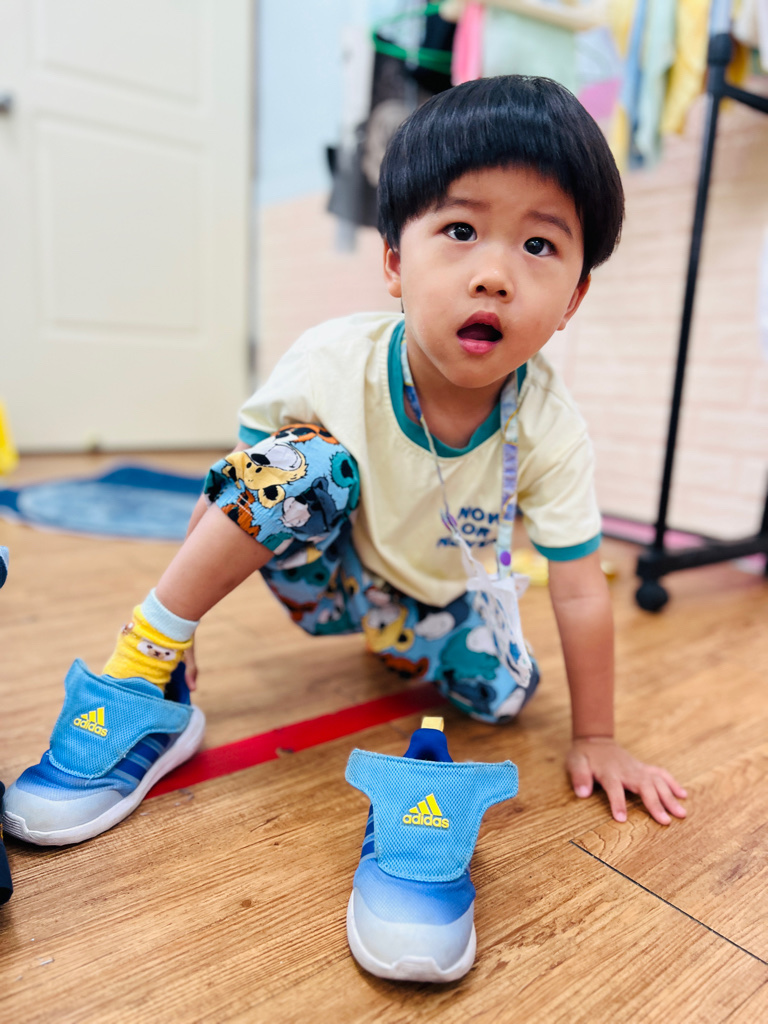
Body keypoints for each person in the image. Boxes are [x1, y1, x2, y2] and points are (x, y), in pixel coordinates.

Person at [3, 76, 687, 848]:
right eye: (461, 230)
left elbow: (580, 589)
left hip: (435, 602)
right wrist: (175, 631)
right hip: (324, 573)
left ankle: (394, 644)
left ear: (573, 301)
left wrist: (596, 735)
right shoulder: (331, 362)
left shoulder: (551, 427)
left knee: (508, 696)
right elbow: (234, 487)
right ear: (394, 263)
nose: (494, 275)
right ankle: (143, 667)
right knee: (300, 465)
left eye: (538, 245)